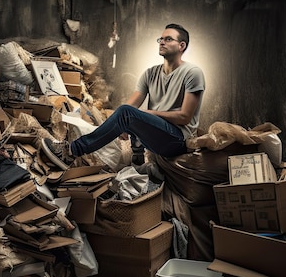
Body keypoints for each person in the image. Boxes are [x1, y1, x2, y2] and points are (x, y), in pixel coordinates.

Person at [41, 23, 206, 170]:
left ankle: (70, 152)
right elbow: (128, 108)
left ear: (181, 46)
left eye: (168, 39)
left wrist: (148, 114)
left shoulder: (192, 73)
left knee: (127, 113)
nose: (162, 42)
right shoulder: (150, 73)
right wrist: (122, 124)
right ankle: (139, 163)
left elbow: (184, 117)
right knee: (125, 112)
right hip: (158, 135)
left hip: (177, 139)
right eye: (160, 39)